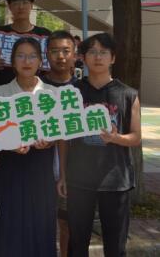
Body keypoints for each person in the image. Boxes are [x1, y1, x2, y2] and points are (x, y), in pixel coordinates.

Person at [58, 33, 141, 257]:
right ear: (83, 57)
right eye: (92, 52)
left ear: (112, 58)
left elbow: (136, 137)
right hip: (79, 179)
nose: (97, 57)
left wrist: (115, 138)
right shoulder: (72, 93)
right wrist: (63, 175)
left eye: (103, 52)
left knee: (116, 246)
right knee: (77, 243)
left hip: (116, 180)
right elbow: (64, 138)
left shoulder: (128, 94)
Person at [0, 37, 57, 257]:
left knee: (41, 223)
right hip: (9, 166)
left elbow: (61, 131)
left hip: (41, 166)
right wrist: (9, 143)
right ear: (12, 61)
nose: (26, 61)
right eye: (20, 56)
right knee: (9, 223)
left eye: (32, 56)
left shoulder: (53, 94)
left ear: (40, 61)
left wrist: (51, 140)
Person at [42, 30, 77, 256]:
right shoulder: (35, 87)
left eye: (66, 51)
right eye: (55, 51)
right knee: (42, 219)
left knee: (67, 222)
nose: (61, 56)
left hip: (74, 167)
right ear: (46, 54)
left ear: (75, 54)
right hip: (40, 165)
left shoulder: (82, 89)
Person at [0, 0, 51, 89]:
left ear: (32, 5)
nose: (21, 7)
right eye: (16, 3)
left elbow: (50, 68)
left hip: (34, 93)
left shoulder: (44, 35)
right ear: (9, 6)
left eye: (25, 2)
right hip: (1, 92)